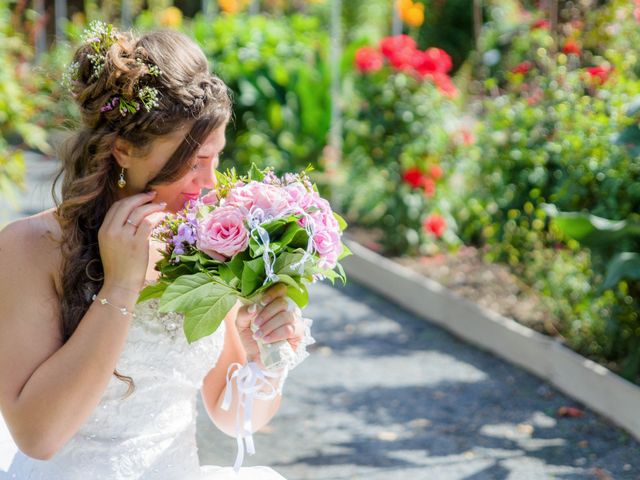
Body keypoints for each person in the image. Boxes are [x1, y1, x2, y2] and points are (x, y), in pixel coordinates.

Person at [0, 23, 313, 479]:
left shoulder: (201, 242)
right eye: (194, 161)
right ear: (124, 149)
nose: (209, 182)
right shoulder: (31, 248)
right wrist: (121, 287)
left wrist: (265, 355)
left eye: (217, 157)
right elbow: (38, 437)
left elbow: (232, 416)